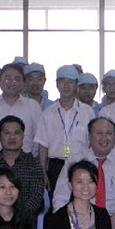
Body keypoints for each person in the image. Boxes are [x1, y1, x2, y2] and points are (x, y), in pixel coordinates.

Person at [52, 117, 115, 229]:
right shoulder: (74, 161)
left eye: (109, 133)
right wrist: (67, 219)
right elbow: (60, 196)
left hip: (113, 220)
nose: (104, 138)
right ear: (89, 136)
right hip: (79, 219)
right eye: (99, 133)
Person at [35, 65, 95, 198]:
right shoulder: (48, 113)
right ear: (57, 84)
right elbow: (43, 146)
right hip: (55, 167)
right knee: (57, 205)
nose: (66, 86)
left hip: (81, 166)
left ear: (76, 85)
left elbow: (92, 142)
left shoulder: (87, 112)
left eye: (70, 82)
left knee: (82, 202)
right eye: (62, 81)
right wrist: (43, 172)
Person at [0, 116, 45, 215]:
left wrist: (15, 217)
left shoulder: (34, 165)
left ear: (23, 136)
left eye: (16, 133)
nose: (12, 137)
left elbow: (35, 198)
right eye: (7, 133)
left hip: (25, 219)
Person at [0, 62, 42, 158]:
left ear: (23, 83)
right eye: (7, 79)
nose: (12, 82)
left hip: (26, 161)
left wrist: (29, 158)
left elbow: (38, 138)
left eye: (17, 79)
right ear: (0, 81)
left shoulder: (33, 107)